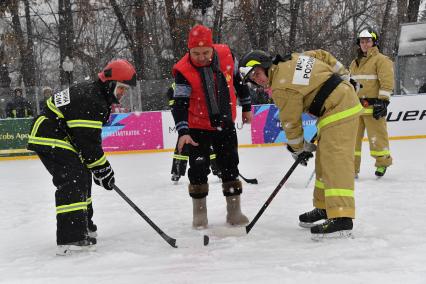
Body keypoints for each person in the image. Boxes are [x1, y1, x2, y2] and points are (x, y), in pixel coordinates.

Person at [239, 49, 363, 239]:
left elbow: (291, 123)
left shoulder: (281, 87)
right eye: (253, 79)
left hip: (339, 108)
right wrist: (345, 76)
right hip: (336, 106)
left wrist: (298, 149)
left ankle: (342, 217)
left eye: (257, 73)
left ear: (264, 65)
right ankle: (325, 207)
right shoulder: (292, 58)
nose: (257, 80)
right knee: (324, 161)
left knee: (335, 162)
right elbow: (322, 55)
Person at [27, 59, 136, 255]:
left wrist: (98, 168)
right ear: (110, 84)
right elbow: (89, 145)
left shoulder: (95, 95)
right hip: (49, 134)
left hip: (60, 134)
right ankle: (71, 237)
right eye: (121, 88)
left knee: (82, 175)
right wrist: (102, 168)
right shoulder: (92, 99)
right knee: (73, 177)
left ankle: (84, 225)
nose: (122, 93)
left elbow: (87, 143)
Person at [172, 24, 252, 228]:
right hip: (197, 126)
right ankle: (200, 215)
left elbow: (238, 81)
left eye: (205, 52)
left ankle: (234, 212)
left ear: (212, 48)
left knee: (230, 166)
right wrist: (183, 131)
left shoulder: (227, 55)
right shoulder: (183, 70)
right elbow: (180, 103)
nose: (201, 57)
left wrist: (246, 106)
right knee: (198, 169)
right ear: (188, 50)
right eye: (195, 53)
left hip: (224, 123)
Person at [350, 29, 394, 178]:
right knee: (351, 142)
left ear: (374, 42)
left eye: (368, 41)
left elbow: (387, 82)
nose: (365, 44)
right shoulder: (354, 63)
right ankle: (351, 169)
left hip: (374, 107)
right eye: (362, 41)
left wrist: (383, 102)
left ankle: (382, 164)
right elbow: (351, 84)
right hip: (355, 109)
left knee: (377, 139)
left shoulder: (381, 60)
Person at [166, 83, 221, 183]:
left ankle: (218, 169)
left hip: (197, 120)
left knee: (208, 145)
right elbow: (175, 108)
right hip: (189, 122)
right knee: (183, 146)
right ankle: (177, 172)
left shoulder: (189, 82)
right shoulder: (176, 87)